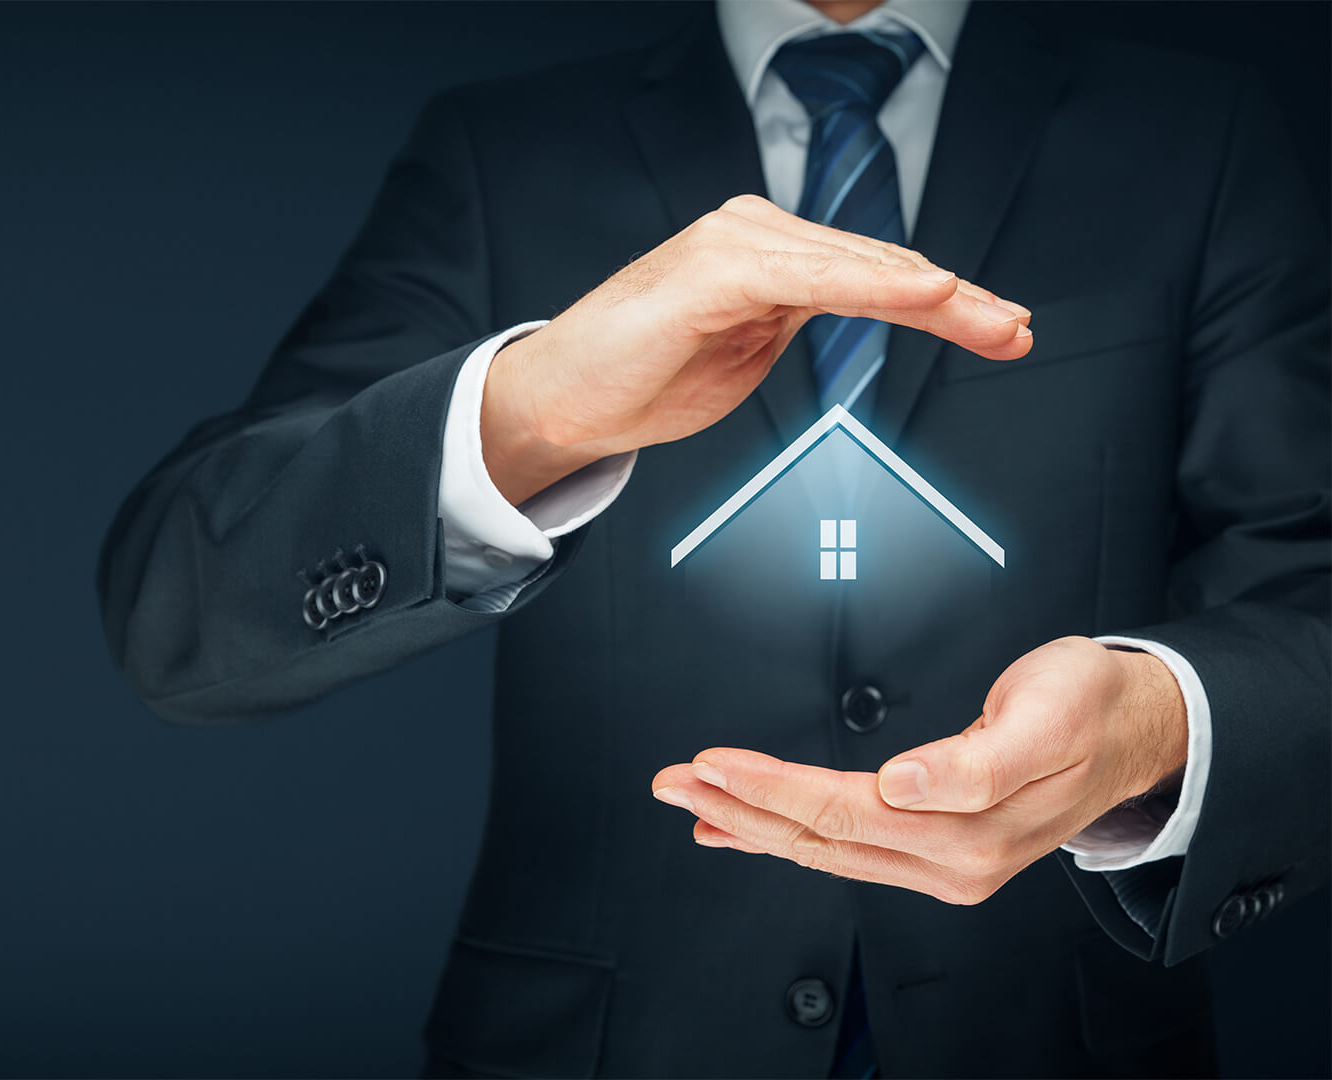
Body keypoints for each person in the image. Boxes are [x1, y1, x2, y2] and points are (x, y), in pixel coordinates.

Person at [97, 0, 1329, 1074]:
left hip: (1063, 1039)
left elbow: (1308, 591)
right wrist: (533, 412)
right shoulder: (505, 151)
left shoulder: (1196, 137)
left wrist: (1151, 727)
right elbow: (182, 610)